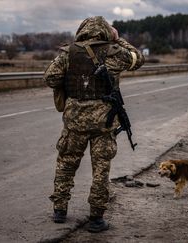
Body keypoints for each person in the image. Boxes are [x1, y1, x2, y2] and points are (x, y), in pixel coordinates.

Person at [43, 16, 144, 233]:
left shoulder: (68, 53)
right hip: (103, 124)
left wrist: (73, 86)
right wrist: (119, 40)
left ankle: (60, 210)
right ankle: (96, 218)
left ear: (82, 30)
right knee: (100, 170)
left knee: (66, 164)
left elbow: (50, 78)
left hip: (74, 122)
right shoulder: (114, 52)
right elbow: (138, 58)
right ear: (106, 32)